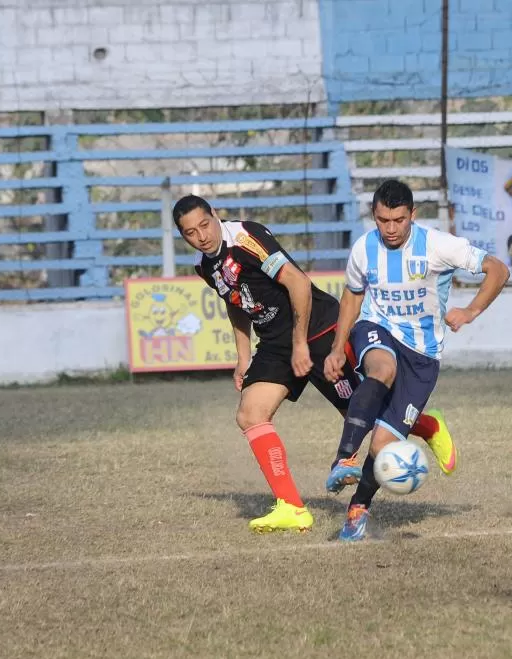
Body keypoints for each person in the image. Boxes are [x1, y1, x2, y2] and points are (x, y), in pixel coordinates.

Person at [173, 195, 451, 534]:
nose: (202, 236)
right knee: (250, 414)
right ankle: (291, 507)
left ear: (215, 215)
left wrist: (301, 344)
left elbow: (298, 283)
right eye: (191, 233)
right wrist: (243, 357)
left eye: (205, 224)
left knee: (361, 415)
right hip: (275, 343)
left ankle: (426, 426)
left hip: (318, 329)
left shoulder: (247, 238)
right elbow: (235, 302)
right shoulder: (206, 266)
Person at [323, 180, 510, 542]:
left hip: (423, 355)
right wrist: (337, 347)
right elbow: (352, 296)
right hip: (377, 328)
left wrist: (471, 310)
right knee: (382, 368)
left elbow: (498, 269)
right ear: (373, 216)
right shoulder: (364, 248)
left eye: (398, 220)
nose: (390, 229)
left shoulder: (439, 245)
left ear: (413, 215)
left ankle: (358, 511)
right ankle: (343, 459)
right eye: (382, 220)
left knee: (381, 448)